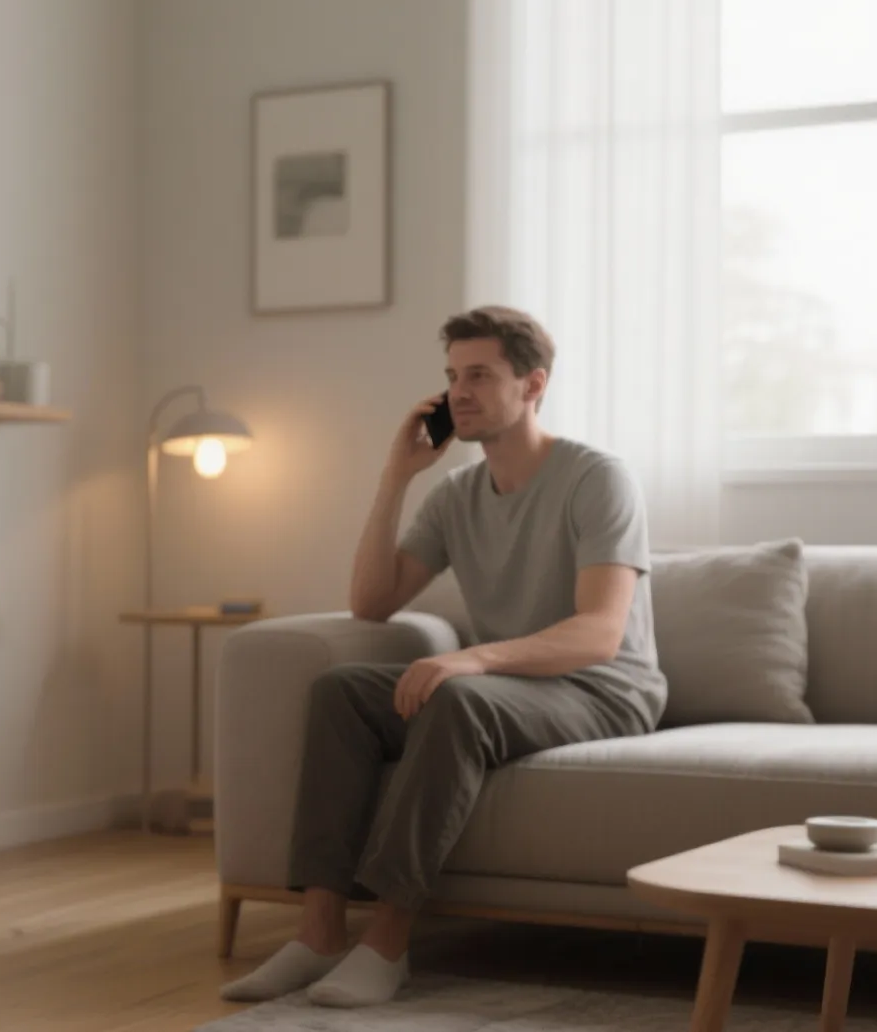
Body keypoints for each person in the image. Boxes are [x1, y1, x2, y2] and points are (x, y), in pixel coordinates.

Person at [220, 306, 664, 1009]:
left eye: (481, 375)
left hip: (604, 689)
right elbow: (372, 602)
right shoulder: (457, 494)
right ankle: (320, 931)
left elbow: (599, 634)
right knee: (341, 692)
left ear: (533, 384)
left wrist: (475, 659)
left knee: (456, 696)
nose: (460, 391)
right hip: (513, 686)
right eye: (453, 376)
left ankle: (388, 942)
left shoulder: (596, 478)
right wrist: (396, 476)